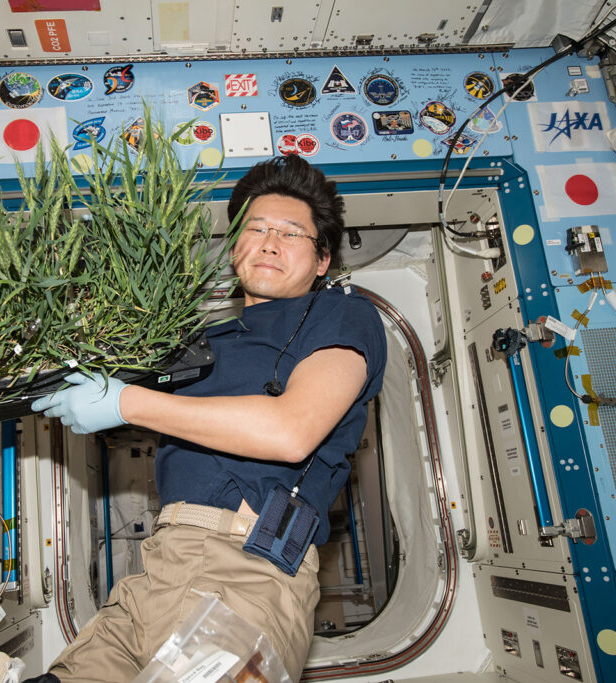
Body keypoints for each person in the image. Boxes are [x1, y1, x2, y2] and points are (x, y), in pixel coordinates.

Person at [30, 155, 387, 682]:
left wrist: (125, 403)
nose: (268, 242)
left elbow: (291, 432)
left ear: (322, 261)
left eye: (291, 233)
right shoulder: (202, 339)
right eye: (255, 229)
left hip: (247, 568)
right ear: (235, 247)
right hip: (153, 572)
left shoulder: (344, 314)